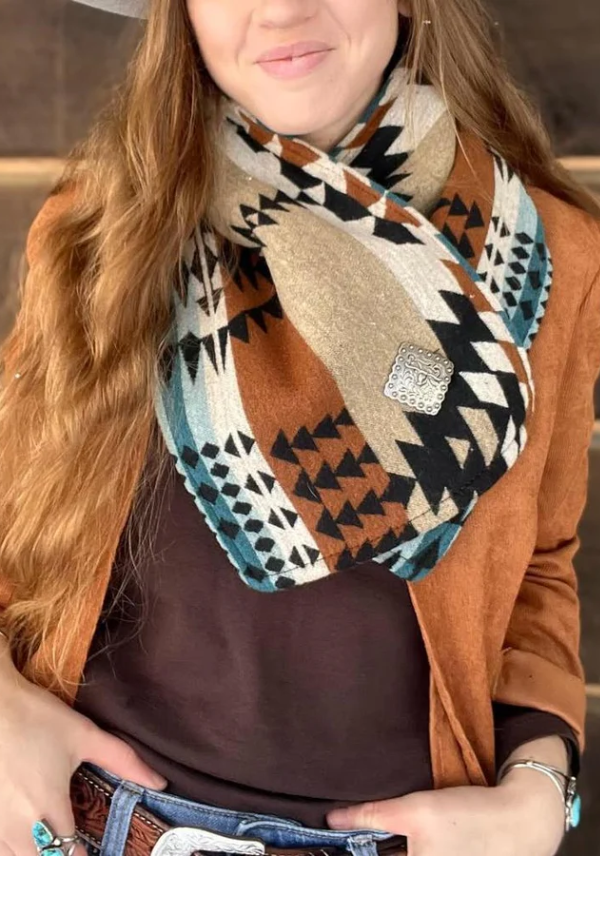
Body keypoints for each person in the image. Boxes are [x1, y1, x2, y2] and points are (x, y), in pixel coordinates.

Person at [0, 0, 599, 857]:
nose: (281, 9)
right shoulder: (102, 225)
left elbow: (541, 565)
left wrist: (541, 788)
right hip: (89, 829)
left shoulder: (556, 254)